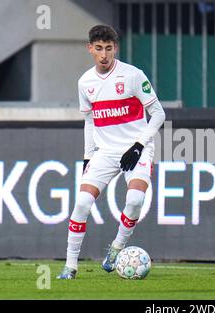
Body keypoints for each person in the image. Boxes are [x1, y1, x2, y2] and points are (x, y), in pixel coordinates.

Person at [57, 25, 165, 279]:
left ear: (115, 48)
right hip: (104, 152)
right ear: (90, 49)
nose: (104, 55)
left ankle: (116, 248)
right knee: (82, 203)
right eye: (98, 49)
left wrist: (139, 145)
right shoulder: (85, 82)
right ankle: (70, 266)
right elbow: (90, 122)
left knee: (135, 200)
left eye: (108, 48)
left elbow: (159, 113)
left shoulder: (133, 75)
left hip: (137, 149)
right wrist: (87, 156)